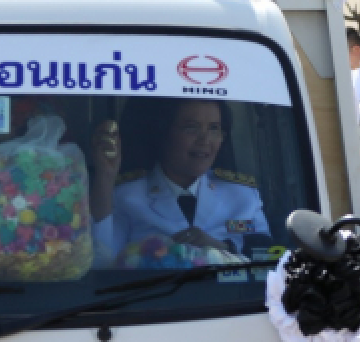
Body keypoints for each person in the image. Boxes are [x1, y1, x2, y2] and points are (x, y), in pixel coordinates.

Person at [87, 99, 268, 268]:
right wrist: (105, 177)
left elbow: (268, 258)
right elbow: (101, 262)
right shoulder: (127, 196)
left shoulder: (242, 196)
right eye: (191, 128)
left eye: (214, 129)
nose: (205, 140)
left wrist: (221, 248)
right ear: (163, 133)